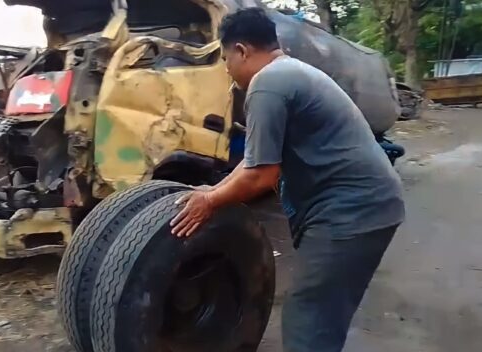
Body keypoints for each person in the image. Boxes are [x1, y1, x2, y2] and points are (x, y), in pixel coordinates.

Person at [170, 7, 405, 352]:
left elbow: (262, 176)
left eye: (225, 58)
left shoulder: (268, 84)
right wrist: (215, 190)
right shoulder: (288, 73)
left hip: (353, 212)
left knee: (308, 316)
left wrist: (210, 202)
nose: (226, 68)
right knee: (324, 312)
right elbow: (256, 160)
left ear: (242, 50)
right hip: (367, 205)